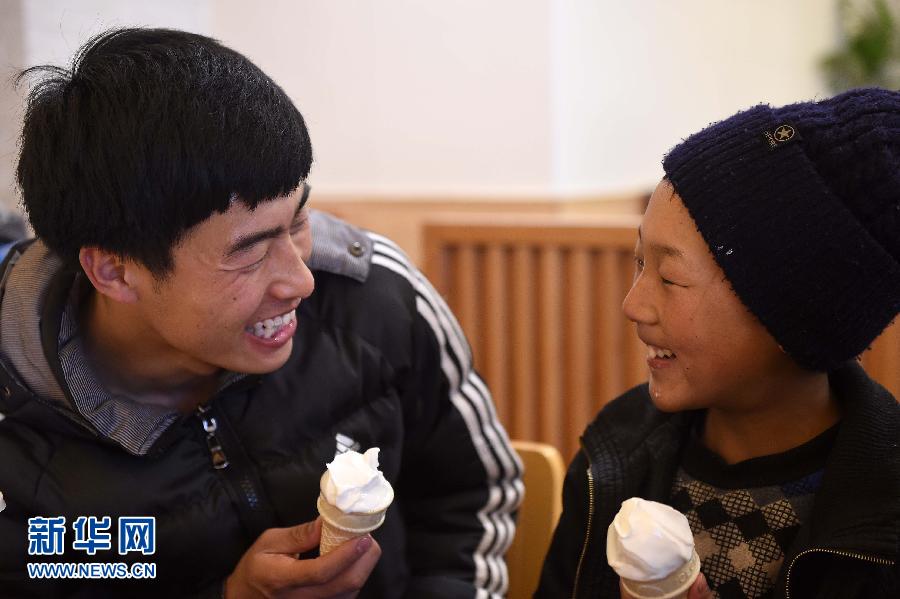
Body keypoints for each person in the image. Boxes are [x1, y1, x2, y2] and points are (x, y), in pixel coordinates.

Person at [0, 28, 522, 598]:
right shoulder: (17, 418)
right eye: (248, 251)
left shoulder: (371, 297)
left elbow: (471, 502)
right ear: (116, 271)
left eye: (297, 221)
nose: (301, 281)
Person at [536, 88, 900, 599]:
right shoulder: (616, 455)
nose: (633, 305)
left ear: (791, 316)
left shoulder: (883, 512)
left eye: (670, 277)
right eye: (639, 262)